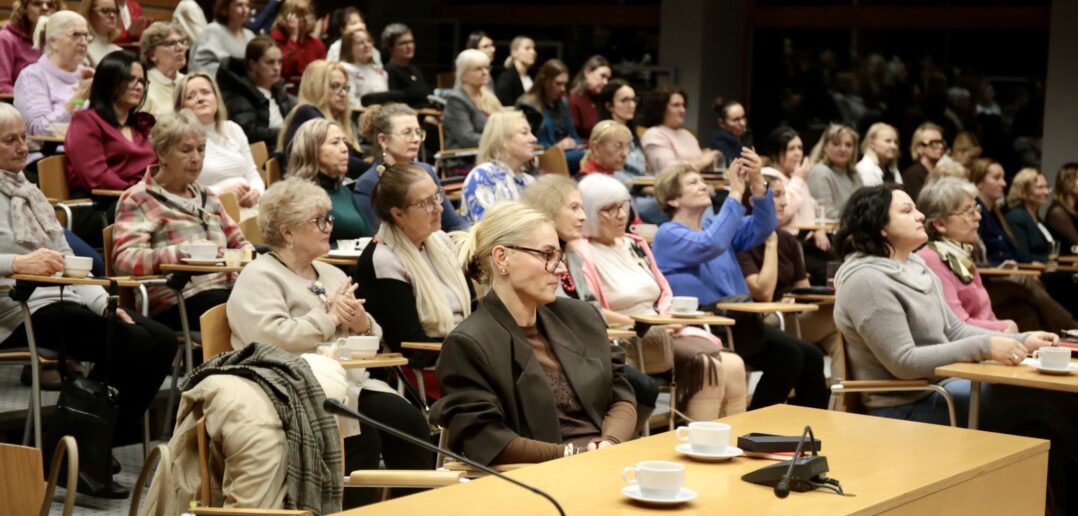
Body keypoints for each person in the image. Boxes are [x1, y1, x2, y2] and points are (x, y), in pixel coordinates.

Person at [832, 184, 1077, 515]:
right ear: (879, 226)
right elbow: (903, 363)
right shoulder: (866, 280)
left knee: (1040, 427)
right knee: (1047, 403)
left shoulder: (916, 267)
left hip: (942, 389)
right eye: (906, 211)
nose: (920, 215)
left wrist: (1023, 340)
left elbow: (955, 330)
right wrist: (985, 345)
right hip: (907, 404)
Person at [0, 102, 173, 498]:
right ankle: (81, 449)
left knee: (159, 338)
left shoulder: (29, 190)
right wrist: (18, 261)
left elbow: (69, 262)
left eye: (23, 138)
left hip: (60, 296)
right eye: (10, 141)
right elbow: (28, 263)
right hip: (16, 305)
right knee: (129, 343)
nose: (22, 148)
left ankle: (92, 443)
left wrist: (105, 305)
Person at [227, 177, 432, 507]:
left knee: (409, 423)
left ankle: (411, 510)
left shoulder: (331, 273)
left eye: (329, 218)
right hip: (290, 383)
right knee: (362, 435)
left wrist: (362, 324)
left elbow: (371, 336)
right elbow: (270, 338)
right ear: (288, 232)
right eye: (318, 220)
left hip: (348, 381)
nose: (328, 227)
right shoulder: (260, 276)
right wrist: (330, 319)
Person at [430, 202, 637, 466]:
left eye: (559, 256)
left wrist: (610, 443)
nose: (561, 269)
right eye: (547, 255)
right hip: (535, 479)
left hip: (605, 461)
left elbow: (621, 395)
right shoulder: (469, 343)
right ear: (502, 257)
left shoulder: (582, 318)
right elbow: (486, 438)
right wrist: (574, 455)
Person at [651, 159, 829, 410]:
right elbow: (711, 243)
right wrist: (735, 193)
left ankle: (810, 430)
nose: (702, 185)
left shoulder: (715, 225)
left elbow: (764, 226)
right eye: (693, 182)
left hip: (739, 320)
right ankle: (758, 426)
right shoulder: (668, 234)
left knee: (810, 356)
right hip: (707, 325)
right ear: (673, 199)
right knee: (788, 358)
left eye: (702, 180)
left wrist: (757, 184)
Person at [574, 173, 747, 421]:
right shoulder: (581, 252)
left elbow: (664, 291)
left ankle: (731, 444)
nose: (621, 215)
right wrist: (645, 324)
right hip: (628, 336)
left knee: (735, 366)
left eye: (622, 206)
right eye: (608, 210)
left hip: (662, 329)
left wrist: (665, 318)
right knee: (708, 366)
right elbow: (589, 309)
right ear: (589, 213)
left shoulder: (634, 243)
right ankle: (698, 444)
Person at [519, 174, 660, 434]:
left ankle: (610, 444)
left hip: (581, 348)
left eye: (583, 208)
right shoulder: (535, 258)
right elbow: (553, 313)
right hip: (553, 353)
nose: (583, 216)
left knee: (640, 387)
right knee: (638, 387)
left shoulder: (571, 254)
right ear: (548, 211)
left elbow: (591, 307)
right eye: (574, 208)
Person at [112, 109, 251, 330]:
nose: (196, 158)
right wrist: (180, 254)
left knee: (270, 299)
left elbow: (242, 245)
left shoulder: (208, 197)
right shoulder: (138, 198)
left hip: (225, 290)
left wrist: (244, 261)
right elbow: (125, 260)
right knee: (243, 309)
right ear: (162, 153)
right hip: (177, 298)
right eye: (186, 150)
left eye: (201, 149)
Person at [354, 163, 472, 399]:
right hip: (425, 372)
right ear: (398, 214)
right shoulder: (383, 259)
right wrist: (474, 352)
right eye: (426, 203)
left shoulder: (440, 240)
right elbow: (411, 345)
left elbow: (475, 307)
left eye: (437, 196)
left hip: (464, 355)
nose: (439, 208)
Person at [916, 178, 1077, 333]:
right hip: (966, 352)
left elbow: (987, 314)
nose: (978, 217)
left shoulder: (960, 254)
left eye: (976, 209)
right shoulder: (933, 259)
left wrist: (1019, 337)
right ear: (940, 224)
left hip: (984, 343)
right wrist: (1005, 328)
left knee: (1026, 312)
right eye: (969, 212)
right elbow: (956, 327)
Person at [736, 178, 843, 377]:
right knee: (839, 318)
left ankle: (839, 399)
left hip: (791, 314)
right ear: (754, 201)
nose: (785, 202)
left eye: (784, 194)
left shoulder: (788, 240)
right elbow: (761, 292)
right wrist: (770, 243)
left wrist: (797, 299)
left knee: (839, 336)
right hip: (761, 319)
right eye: (777, 195)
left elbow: (805, 289)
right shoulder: (742, 239)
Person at [353, 103, 467, 232]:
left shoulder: (427, 171)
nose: (416, 139)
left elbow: (454, 224)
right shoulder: (369, 183)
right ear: (383, 140)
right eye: (407, 133)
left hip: (436, 246)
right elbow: (376, 236)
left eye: (418, 132)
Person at [64, 50, 155, 194]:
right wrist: (136, 193)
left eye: (142, 81)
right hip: (102, 203)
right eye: (130, 79)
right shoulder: (86, 122)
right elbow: (97, 177)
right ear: (109, 81)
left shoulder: (141, 124)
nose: (138, 87)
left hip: (141, 198)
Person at [175, 72, 263, 215]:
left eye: (206, 92)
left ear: (216, 97)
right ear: (181, 107)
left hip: (250, 206)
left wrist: (256, 192)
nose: (201, 99)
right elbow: (182, 191)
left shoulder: (233, 128)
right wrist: (222, 193)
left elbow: (252, 174)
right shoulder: (181, 139)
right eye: (191, 96)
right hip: (211, 211)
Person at [13, 10, 93, 141]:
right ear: (52, 42)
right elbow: (40, 131)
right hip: (49, 154)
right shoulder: (32, 76)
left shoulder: (88, 74)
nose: (83, 42)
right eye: (76, 35)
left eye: (86, 36)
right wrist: (80, 95)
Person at [289, 118, 371, 241]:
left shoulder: (344, 191)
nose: (345, 149)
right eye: (335, 143)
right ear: (312, 150)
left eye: (344, 142)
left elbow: (368, 234)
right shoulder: (299, 196)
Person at [278, 60, 363, 178]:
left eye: (345, 87)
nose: (343, 93)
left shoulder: (341, 120)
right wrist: (380, 169)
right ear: (316, 88)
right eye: (335, 86)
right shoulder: (306, 113)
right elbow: (345, 163)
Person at [216, 35, 297, 147]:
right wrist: (287, 133)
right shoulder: (239, 93)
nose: (277, 68)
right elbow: (249, 133)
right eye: (270, 62)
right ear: (252, 65)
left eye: (279, 62)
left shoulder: (279, 89)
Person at [460, 110, 537, 223]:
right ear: (503, 140)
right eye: (524, 133)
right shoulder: (481, 177)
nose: (534, 139)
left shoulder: (529, 181)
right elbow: (489, 232)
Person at [516, 59, 584, 174]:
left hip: (568, 152)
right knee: (588, 157)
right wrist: (557, 147)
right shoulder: (528, 106)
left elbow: (575, 136)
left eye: (565, 84)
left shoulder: (562, 103)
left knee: (591, 154)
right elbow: (528, 142)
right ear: (544, 80)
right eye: (558, 84)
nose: (563, 89)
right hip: (542, 156)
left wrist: (572, 143)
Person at [639, 85, 720, 174]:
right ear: (660, 109)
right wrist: (703, 162)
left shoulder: (687, 134)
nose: (683, 110)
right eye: (676, 105)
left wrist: (710, 161)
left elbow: (699, 165)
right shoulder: (654, 134)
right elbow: (668, 170)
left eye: (683, 105)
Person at [443, 49, 502, 150]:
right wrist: (500, 141)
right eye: (478, 69)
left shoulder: (489, 97)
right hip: (465, 159)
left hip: (491, 153)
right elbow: (467, 139)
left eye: (487, 68)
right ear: (463, 75)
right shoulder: (456, 100)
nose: (485, 72)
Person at [0, 0, 61, 94]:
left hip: (59, 103)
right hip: (16, 104)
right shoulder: (6, 38)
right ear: (24, 9)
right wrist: (35, 99)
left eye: (50, 5)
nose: (45, 8)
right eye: (36, 3)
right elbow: (2, 86)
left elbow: (68, 87)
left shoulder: (60, 40)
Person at [972, 158, 1024, 264]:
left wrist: (1030, 263)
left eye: (1003, 178)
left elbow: (1013, 253)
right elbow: (980, 256)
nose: (1004, 183)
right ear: (979, 182)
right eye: (996, 178)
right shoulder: (975, 212)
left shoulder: (996, 214)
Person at [807, 123, 862, 221]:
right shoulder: (820, 172)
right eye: (836, 144)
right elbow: (826, 213)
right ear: (825, 146)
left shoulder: (854, 174)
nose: (843, 149)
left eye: (848, 145)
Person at [189, 0, 255, 76]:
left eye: (247, 5)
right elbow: (199, 66)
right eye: (239, 5)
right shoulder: (212, 31)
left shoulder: (250, 35)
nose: (245, 10)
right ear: (225, 9)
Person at [597, 78, 646, 177]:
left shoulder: (633, 134)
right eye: (625, 100)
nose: (632, 105)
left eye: (634, 100)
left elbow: (641, 169)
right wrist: (639, 187)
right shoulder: (604, 135)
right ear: (609, 106)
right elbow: (610, 173)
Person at [1004, 168, 1055, 263]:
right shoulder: (1017, 217)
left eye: (1047, 187)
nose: (1046, 192)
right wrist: (1048, 260)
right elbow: (1023, 255)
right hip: (1030, 271)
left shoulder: (1037, 219)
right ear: (1023, 190)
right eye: (1040, 188)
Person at [139, 22, 188, 119]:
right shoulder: (143, 87)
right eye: (170, 44)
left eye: (182, 42)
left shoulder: (189, 81)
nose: (180, 48)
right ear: (152, 55)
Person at [269, 0, 324, 80]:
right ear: (287, 18)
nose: (306, 19)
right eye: (300, 15)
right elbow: (283, 70)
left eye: (308, 13)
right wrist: (293, 37)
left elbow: (321, 75)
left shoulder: (317, 44)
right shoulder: (276, 38)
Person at [381, 23, 430, 108]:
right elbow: (394, 103)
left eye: (411, 42)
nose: (409, 46)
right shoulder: (388, 71)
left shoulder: (415, 70)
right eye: (403, 43)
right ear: (390, 48)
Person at [338, 28, 387, 109]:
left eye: (369, 41)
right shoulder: (344, 70)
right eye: (360, 42)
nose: (366, 45)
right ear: (349, 48)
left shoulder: (379, 71)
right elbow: (350, 101)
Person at [567, 55, 610, 140]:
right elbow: (572, 138)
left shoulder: (601, 101)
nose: (606, 82)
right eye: (602, 76)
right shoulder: (574, 100)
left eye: (608, 78)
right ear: (587, 72)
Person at [902, 122, 945, 203]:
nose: (941, 146)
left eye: (941, 142)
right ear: (919, 148)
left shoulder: (939, 172)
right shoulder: (912, 175)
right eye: (934, 143)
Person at [855, 122, 902, 186]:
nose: (893, 146)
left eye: (895, 142)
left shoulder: (892, 169)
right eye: (888, 141)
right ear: (872, 143)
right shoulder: (865, 170)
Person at [1045, 162, 1078, 253]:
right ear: (1067, 182)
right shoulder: (1057, 212)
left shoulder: (1075, 210)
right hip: (1064, 264)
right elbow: (1076, 243)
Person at [494, 35, 535, 108]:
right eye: (527, 48)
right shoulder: (506, 79)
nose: (533, 52)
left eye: (533, 48)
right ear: (514, 53)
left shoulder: (531, 77)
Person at [78, 0, 121, 67]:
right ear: (90, 14)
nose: (112, 15)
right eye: (105, 10)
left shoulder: (119, 51)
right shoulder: (82, 49)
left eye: (115, 11)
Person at [709, 98, 748, 167]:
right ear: (722, 123)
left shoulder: (744, 138)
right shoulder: (719, 140)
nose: (742, 123)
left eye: (743, 117)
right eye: (736, 120)